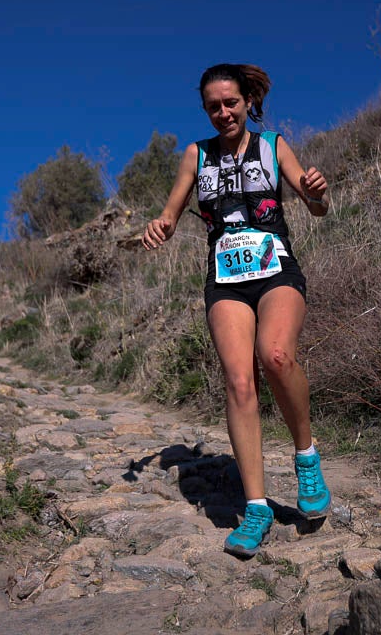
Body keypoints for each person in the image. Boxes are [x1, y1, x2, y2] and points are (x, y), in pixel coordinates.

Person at [142, 63, 331, 557]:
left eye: (231, 103)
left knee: (275, 357)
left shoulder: (273, 145)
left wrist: (316, 193)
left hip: (276, 270)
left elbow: (315, 204)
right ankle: (256, 506)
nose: (223, 113)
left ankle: (306, 459)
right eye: (213, 106)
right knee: (238, 379)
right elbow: (170, 212)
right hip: (224, 278)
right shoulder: (195, 156)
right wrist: (159, 227)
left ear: (248, 101)